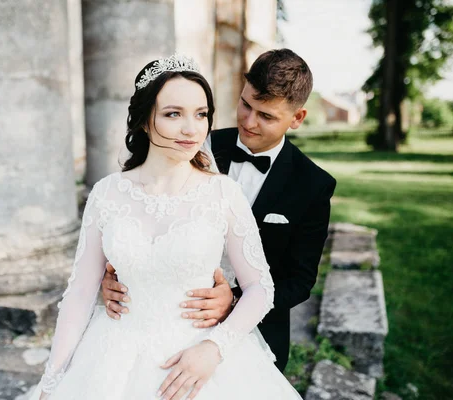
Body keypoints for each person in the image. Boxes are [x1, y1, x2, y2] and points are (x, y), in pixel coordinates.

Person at [29, 54, 301, 400]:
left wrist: (214, 348)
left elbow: (260, 287)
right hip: (113, 356)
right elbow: (80, 293)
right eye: (174, 114)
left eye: (201, 114)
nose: (192, 129)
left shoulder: (222, 193)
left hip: (200, 359)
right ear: (144, 120)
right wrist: (52, 380)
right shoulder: (106, 194)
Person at [102, 48, 337, 372]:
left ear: (297, 118)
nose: (249, 122)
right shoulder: (195, 142)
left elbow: (299, 280)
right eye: (245, 105)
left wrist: (235, 301)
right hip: (162, 323)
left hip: (256, 332)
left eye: (266, 116)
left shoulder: (313, 185)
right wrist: (114, 274)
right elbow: (142, 210)